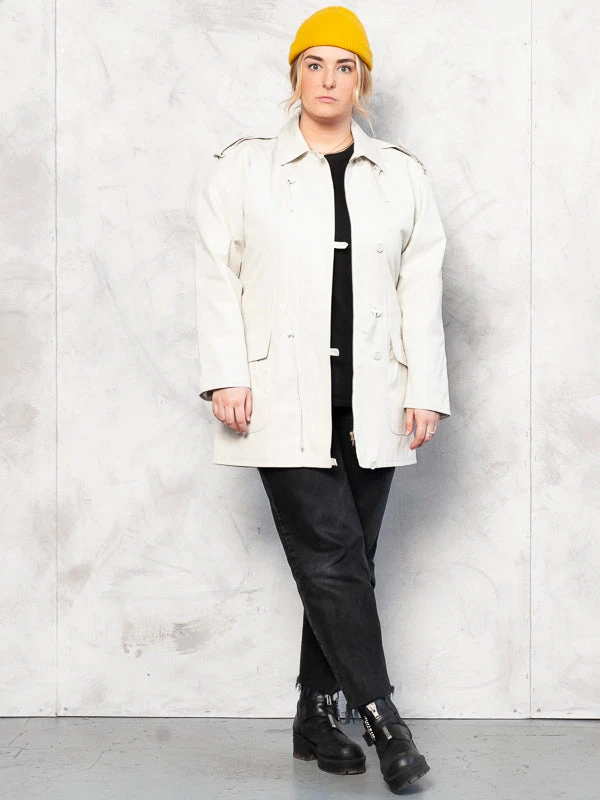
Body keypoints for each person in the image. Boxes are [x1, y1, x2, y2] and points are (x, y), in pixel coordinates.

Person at [194, 5, 451, 794]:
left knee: (346, 564)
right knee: (335, 557)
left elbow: (420, 287)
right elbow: (216, 276)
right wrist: (227, 374)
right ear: (295, 75)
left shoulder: (400, 175)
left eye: (344, 67)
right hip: (278, 395)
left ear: (361, 82)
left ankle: (314, 713)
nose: (328, 81)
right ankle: (383, 719)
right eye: (314, 65)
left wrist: (425, 388)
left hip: (375, 396)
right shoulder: (243, 169)